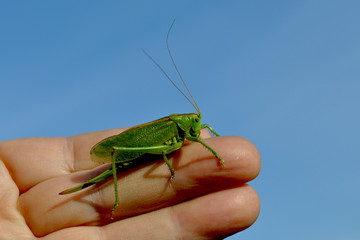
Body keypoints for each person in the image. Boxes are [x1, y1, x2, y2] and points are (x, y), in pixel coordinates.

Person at [0, 127, 261, 239]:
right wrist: (208, 155)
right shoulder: (172, 128)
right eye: (192, 122)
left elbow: (199, 133)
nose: (196, 126)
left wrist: (215, 141)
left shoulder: (191, 128)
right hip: (133, 151)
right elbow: (165, 150)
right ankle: (109, 194)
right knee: (116, 160)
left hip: (146, 149)